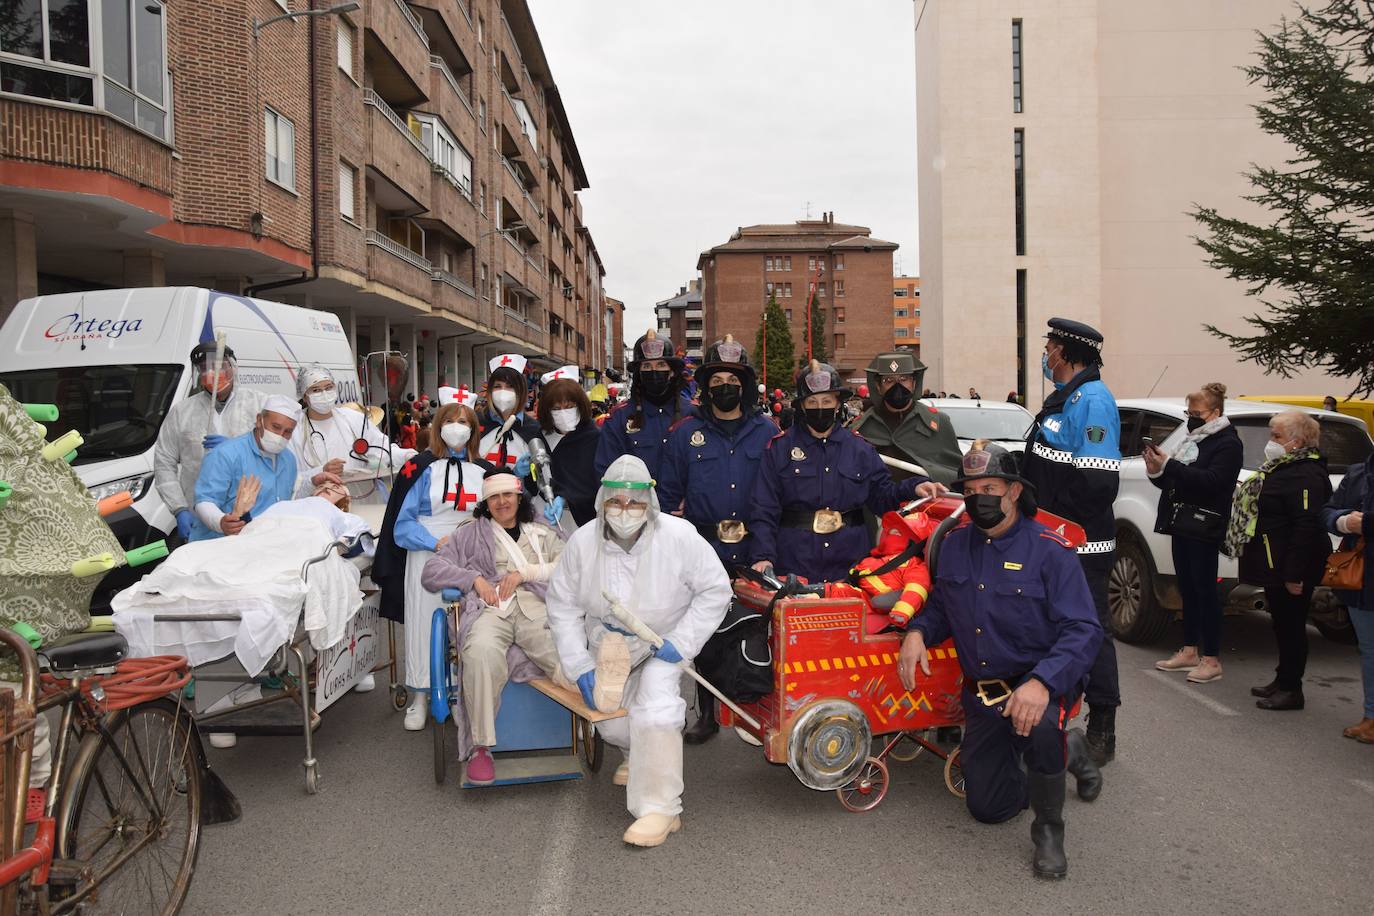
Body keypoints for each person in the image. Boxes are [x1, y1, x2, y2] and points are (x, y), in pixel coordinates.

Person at [898, 441, 1104, 880]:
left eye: (990, 487)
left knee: (1044, 728)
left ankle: (1049, 828)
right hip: (986, 694)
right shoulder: (954, 545)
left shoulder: (1050, 550)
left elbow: (1084, 629)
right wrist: (917, 630)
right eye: (971, 490)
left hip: (1039, 683)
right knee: (987, 808)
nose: (979, 498)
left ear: (1013, 491)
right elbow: (941, 606)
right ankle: (1068, 751)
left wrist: (1043, 683)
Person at [546, 456, 732, 847]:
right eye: (616, 502)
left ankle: (661, 809)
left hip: (663, 642)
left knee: (656, 709)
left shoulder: (679, 537)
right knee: (610, 719)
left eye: (634, 503)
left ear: (650, 503)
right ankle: (637, 756)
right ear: (601, 502)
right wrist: (579, 664)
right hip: (607, 643)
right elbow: (562, 605)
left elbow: (716, 589)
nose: (625, 511)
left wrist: (682, 642)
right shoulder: (582, 542)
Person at [658, 335, 778, 744]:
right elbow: (666, 497)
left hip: (754, 544)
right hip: (703, 544)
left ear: (746, 384)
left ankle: (762, 708)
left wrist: (768, 551)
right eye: (717, 378)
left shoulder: (768, 432)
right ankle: (706, 711)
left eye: (733, 377)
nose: (724, 385)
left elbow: (777, 495)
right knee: (704, 632)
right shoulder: (684, 433)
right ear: (705, 385)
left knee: (762, 628)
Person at [420, 470, 568, 783]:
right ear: (486, 502)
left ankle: (596, 704)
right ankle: (481, 747)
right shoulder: (468, 535)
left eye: (508, 495)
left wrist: (527, 573)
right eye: (494, 497)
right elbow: (432, 570)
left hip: (535, 605)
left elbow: (571, 565)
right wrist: (471, 578)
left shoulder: (541, 529)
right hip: (491, 610)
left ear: (518, 496)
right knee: (479, 653)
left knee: (564, 651)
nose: (502, 502)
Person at [1022, 318, 1121, 765]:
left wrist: (1055, 514)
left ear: (1065, 352)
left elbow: (1097, 485)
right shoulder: (1063, 400)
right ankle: (1054, 717)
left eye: (1049, 345)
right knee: (1051, 631)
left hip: (1081, 546)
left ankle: (1102, 726)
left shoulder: (1093, 400)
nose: (1045, 352)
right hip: (1052, 539)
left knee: (1090, 632)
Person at [749, 361, 944, 584]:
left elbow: (882, 497)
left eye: (827, 400)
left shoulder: (859, 449)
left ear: (837, 403)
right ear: (802, 406)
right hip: (795, 562)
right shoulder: (779, 449)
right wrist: (763, 557)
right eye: (812, 401)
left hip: (849, 564)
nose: (819, 407)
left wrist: (913, 486)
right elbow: (764, 508)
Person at [1224, 410, 1332, 711]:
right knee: (1282, 624)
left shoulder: (1306, 474)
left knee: (1293, 626)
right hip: (1276, 562)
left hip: (1293, 565)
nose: (1270, 441)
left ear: (1296, 442)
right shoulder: (1282, 467)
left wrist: (1294, 574)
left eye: (1276, 436)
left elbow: (1306, 525)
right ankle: (1282, 679)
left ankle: (1291, 689)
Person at [391, 402, 489, 730]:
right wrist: (434, 543)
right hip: (426, 553)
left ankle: (466, 692)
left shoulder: (485, 470)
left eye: (464, 421)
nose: (457, 427)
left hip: (471, 553)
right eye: (451, 421)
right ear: (438, 426)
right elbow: (402, 525)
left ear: (474, 429)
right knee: (423, 623)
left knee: (471, 623)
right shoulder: (419, 468)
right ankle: (420, 695)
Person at [1145, 383, 1244, 683]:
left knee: (1205, 591)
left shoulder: (1227, 443)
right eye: (1189, 412)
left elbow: (1213, 481)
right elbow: (1176, 481)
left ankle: (1211, 658)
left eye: (1196, 413)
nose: (1191, 418)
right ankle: (1189, 650)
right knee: (1187, 588)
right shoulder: (1193, 439)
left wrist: (1170, 466)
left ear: (1215, 412)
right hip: (1182, 522)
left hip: (1204, 524)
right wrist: (1156, 469)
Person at [154, 341, 266, 542]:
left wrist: (239, 446)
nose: (211, 374)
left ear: (233, 367)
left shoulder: (258, 404)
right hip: (201, 518)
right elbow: (164, 462)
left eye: (219, 366)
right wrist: (179, 509)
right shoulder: (182, 412)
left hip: (252, 515)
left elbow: (277, 450)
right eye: (204, 369)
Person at [189, 396, 317, 541]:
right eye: (275, 427)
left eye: (288, 431)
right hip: (219, 545)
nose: (280, 435)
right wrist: (220, 522)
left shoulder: (288, 460)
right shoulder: (226, 454)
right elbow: (205, 501)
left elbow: (288, 500)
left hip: (262, 545)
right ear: (259, 420)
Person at [291, 364, 416, 507]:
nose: (324, 394)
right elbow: (289, 480)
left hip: (361, 501)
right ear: (304, 396)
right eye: (316, 390)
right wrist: (321, 472)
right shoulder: (295, 429)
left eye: (328, 387)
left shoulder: (353, 419)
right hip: (317, 505)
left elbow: (382, 450)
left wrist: (408, 456)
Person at [850, 351, 964, 486]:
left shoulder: (939, 423)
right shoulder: (861, 428)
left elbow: (957, 474)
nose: (897, 386)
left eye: (904, 379)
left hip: (926, 504)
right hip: (878, 505)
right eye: (888, 380)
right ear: (878, 386)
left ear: (914, 383)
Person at [595, 330, 694, 481]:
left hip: (684, 504)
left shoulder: (693, 414)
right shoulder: (619, 418)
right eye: (646, 366)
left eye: (661, 365)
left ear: (672, 372)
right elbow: (607, 473)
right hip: (636, 503)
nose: (654, 371)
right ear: (639, 373)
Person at [1323, 450, 1374, 742]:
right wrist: (1343, 522)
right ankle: (1371, 717)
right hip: (1360, 580)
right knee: (1369, 650)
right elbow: (1328, 510)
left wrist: (1364, 523)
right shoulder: (1358, 471)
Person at [537, 370, 602, 526]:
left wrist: (565, 496)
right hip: (544, 517)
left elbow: (595, 484)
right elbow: (536, 481)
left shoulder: (596, 439)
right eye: (556, 409)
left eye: (569, 407)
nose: (563, 413)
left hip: (585, 520)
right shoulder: (540, 437)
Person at [477, 354, 544, 478]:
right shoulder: (476, 422)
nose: (503, 392)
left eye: (510, 386)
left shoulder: (534, 429)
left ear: (521, 391)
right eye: (497, 386)